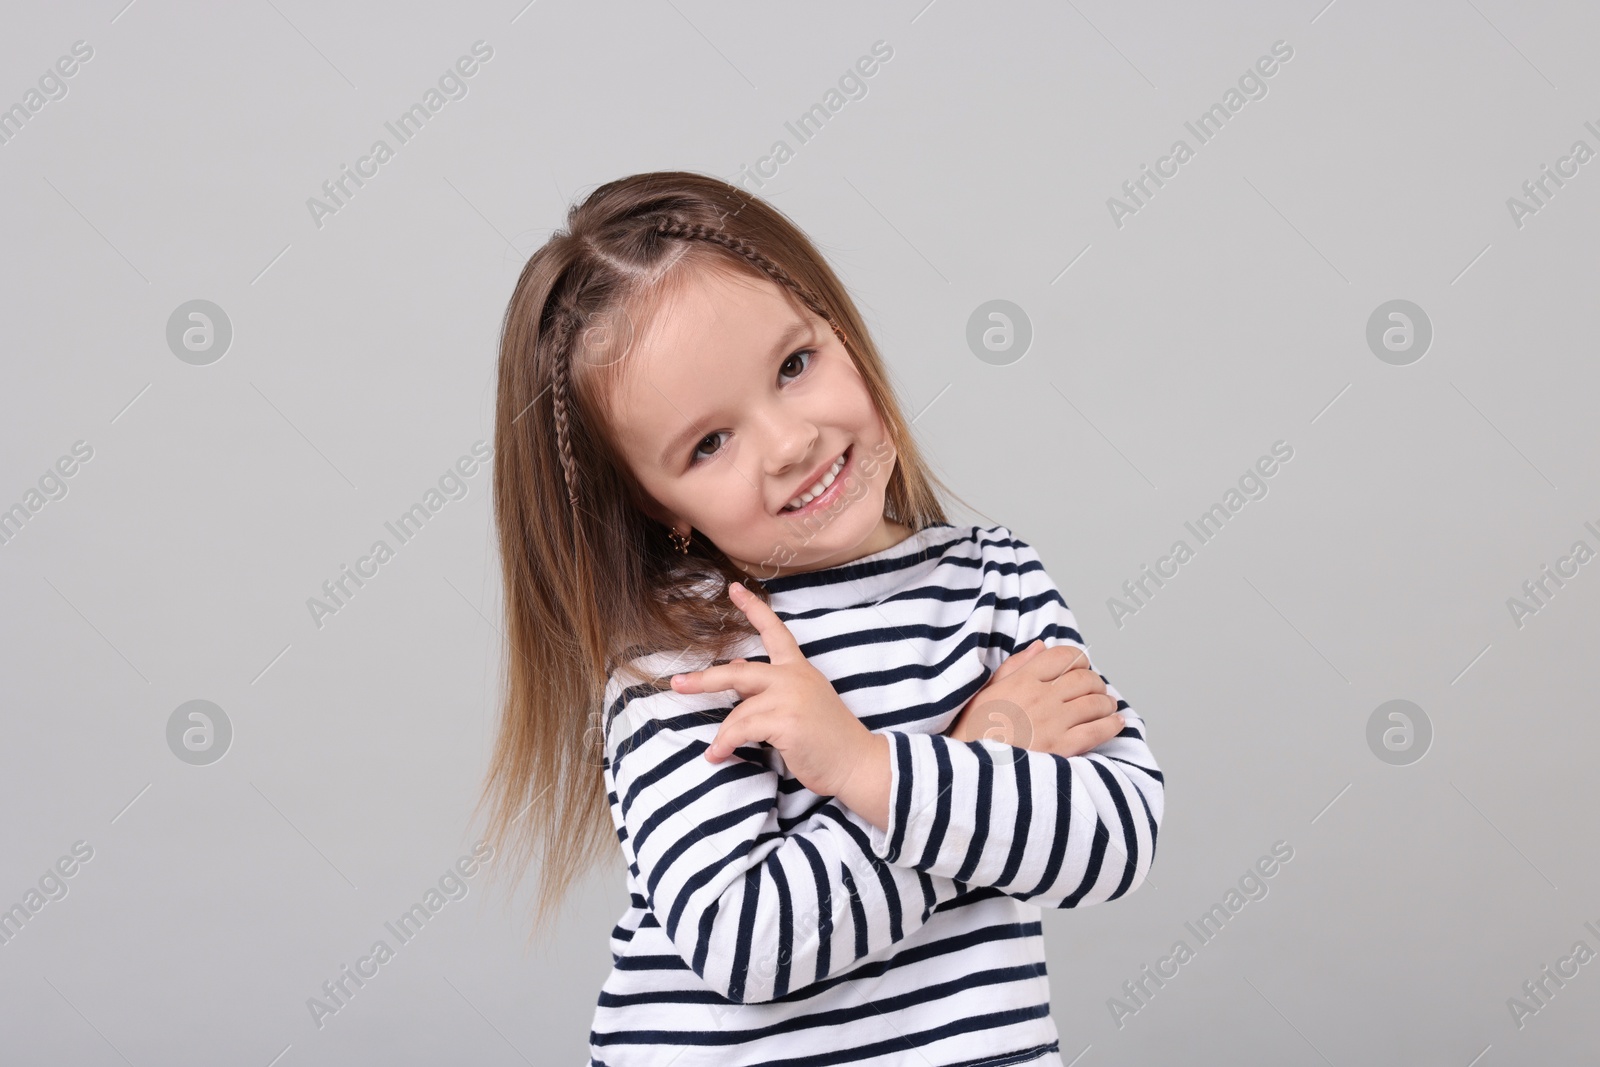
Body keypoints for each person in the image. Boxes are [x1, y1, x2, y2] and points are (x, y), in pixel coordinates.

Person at [474, 170, 1164, 1066]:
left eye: (795, 366)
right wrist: (955, 756)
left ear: (840, 326)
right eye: (709, 443)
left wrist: (881, 771)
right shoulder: (683, 659)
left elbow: (1117, 834)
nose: (791, 442)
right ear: (656, 505)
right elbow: (748, 941)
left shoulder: (993, 579)